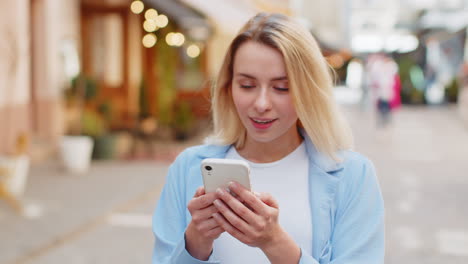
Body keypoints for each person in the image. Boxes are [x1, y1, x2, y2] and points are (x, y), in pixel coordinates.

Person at [152, 12, 384, 264]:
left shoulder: (353, 175)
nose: (261, 104)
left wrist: (273, 242)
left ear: (308, 91)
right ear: (228, 87)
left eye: (281, 87)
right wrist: (196, 241)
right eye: (247, 85)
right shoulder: (187, 168)